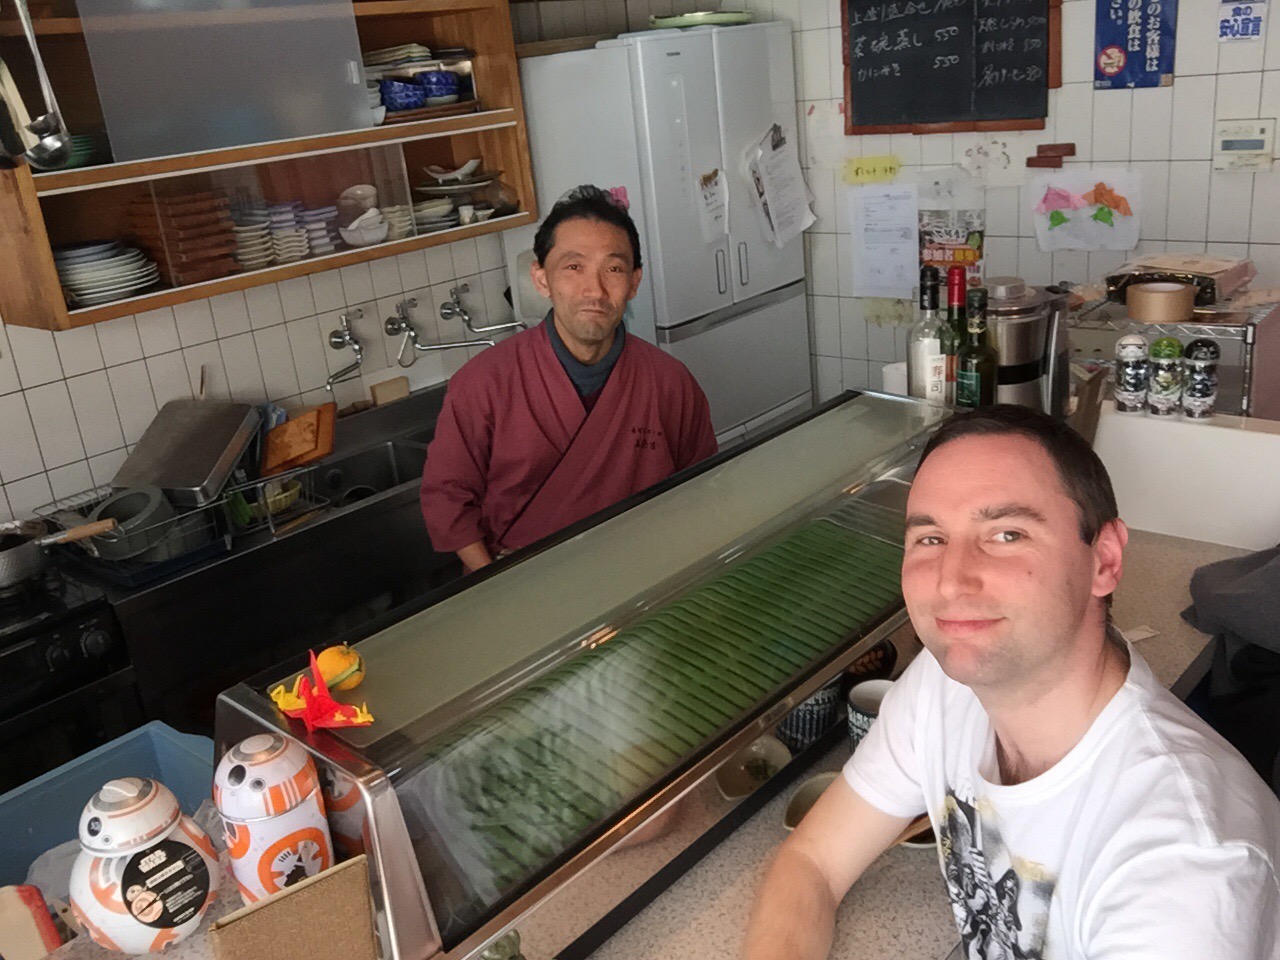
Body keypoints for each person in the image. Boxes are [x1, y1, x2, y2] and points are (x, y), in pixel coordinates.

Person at [745, 405, 1280, 960]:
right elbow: (812, 860)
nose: (951, 582)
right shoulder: (944, 687)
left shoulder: (1187, 868)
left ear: (1104, 560)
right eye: (930, 538)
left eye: (1006, 534)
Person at [421, 185, 718, 573]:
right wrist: (494, 584)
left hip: (641, 573)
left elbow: (701, 489)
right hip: (518, 579)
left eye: (613, 269)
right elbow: (447, 497)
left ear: (634, 282)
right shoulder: (483, 383)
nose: (594, 290)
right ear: (541, 279)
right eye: (574, 267)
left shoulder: (670, 384)